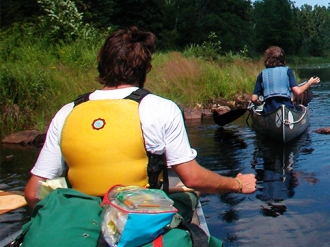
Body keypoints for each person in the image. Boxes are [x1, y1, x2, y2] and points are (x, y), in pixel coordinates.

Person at [24, 27, 257, 211]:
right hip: (136, 220)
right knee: (190, 192)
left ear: (102, 64)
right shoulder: (161, 108)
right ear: (147, 68)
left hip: (82, 218)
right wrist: (237, 184)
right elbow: (193, 177)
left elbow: (33, 193)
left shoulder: (66, 112)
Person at [250, 46, 320, 113]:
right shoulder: (287, 71)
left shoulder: (262, 74)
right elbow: (297, 92)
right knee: (301, 107)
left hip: (269, 109)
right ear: (283, 59)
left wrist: (259, 104)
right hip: (287, 107)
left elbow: (253, 99)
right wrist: (310, 83)